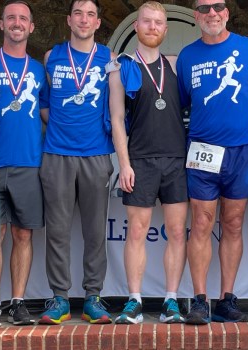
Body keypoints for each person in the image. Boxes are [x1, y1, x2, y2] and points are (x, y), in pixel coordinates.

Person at [175, 0, 248, 324]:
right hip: (202, 149)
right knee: (200, 222)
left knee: (233, 222)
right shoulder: (187, 56)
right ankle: (200, 300)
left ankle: (227, 299)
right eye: (204, 8)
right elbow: (185, 100)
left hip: (242, 149)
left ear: (227, 13)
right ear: (196, 15)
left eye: (218, 7)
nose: (211, 13)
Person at [108, 1, 188, 324]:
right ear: (136, 27)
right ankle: (135, 300)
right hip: (139, 160)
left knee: (177, 232)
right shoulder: (122, 67)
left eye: (158, 22)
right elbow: (116, 120)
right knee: (137, 231)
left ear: (165, 29)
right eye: (146, 21)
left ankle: (170, 300)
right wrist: (124, 164)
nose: (152, 27)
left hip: (176, 160)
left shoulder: (177, 65)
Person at [38, 0, 115, 325]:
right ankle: (60, 298)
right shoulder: (51, 57)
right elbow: (44, 105)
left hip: (96, 156)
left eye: (91, 15)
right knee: (57, 232)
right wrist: (63, 128)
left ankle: (93, 297)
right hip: (57, 155)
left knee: (95, 231)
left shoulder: (108, 58)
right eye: (79, 14)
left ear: (98, 23)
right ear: (69, 20)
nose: (84, 20)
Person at [0, 0, 49, 326]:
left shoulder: (38, 70)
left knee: (22, 234)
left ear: (31, 27)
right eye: (11, 18)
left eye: (23, 18)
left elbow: (49, 113)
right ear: (2, 25)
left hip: (29, 163)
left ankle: (17, 302)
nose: (17, 23)